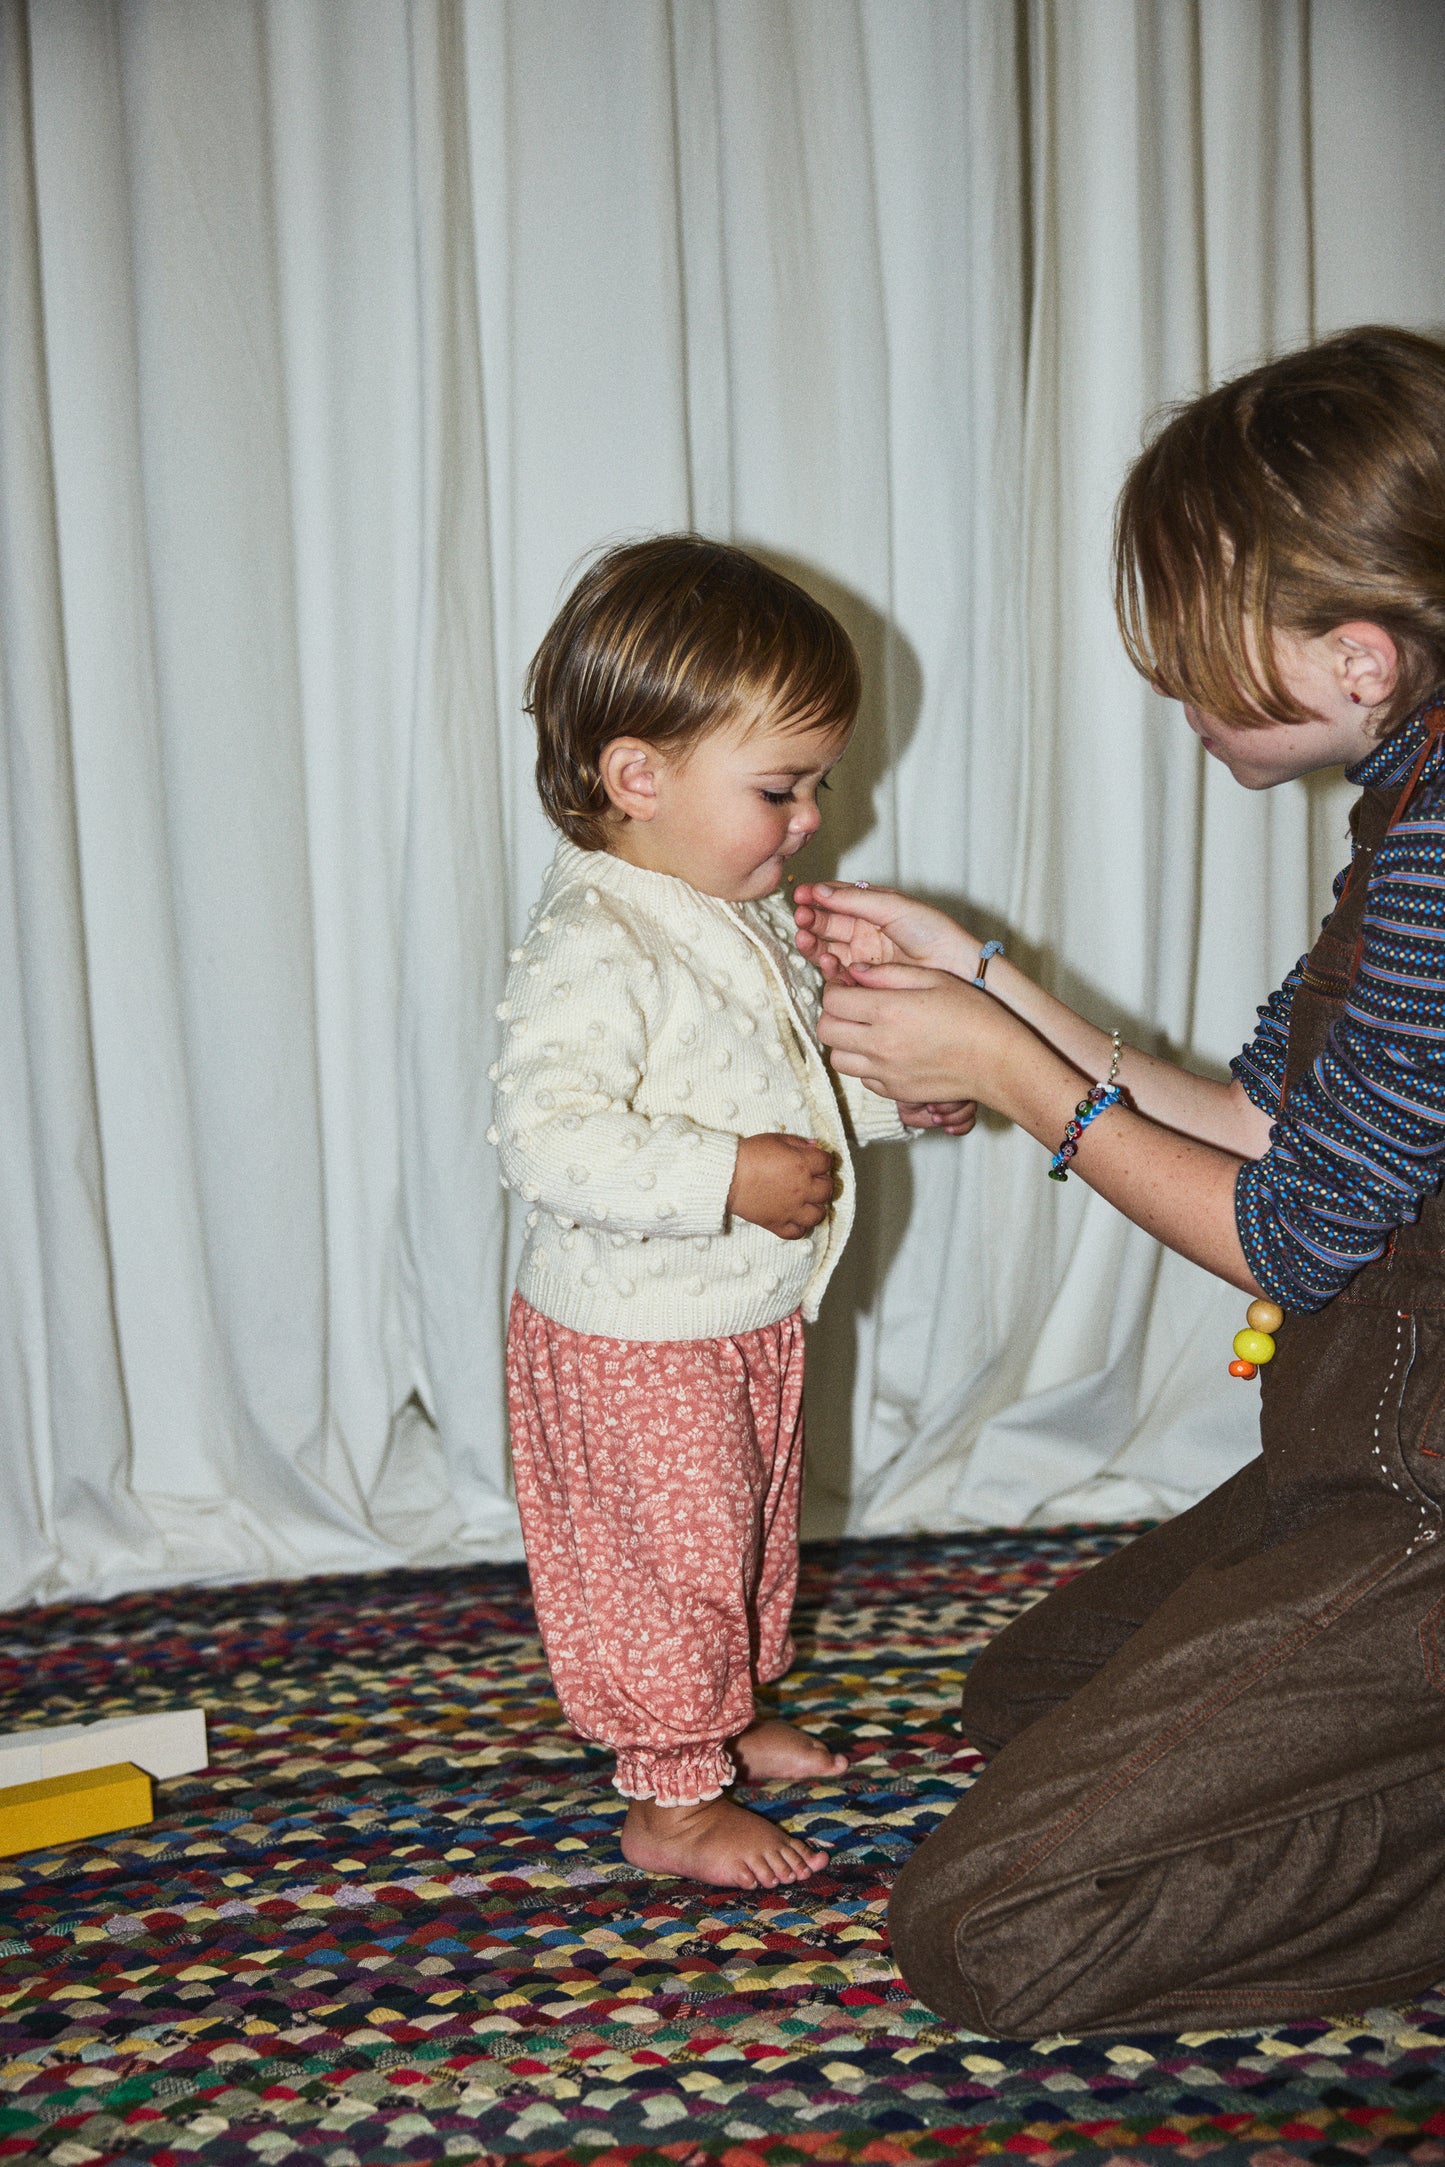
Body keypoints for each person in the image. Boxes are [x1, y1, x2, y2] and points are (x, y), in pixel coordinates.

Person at [793, 325, 1445, 2034]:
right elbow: (1253, 1119)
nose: (1170, 697)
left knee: (995, 1931)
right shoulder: (1410, 799)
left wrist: (1008, 1077)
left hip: (1424, 1488)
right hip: (1359, 1450)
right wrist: (988, 985)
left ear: (1360, 657)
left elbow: (1284, 1237)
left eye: (1197, 662)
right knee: (1031, 1692)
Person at [489, 536, 970, 1891]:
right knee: (666, 1560)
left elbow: (782, 1080)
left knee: (744, 1529)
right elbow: (548, 1139)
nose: (812, 813)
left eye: (812, 782)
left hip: (742, 1306)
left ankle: (727, 1704)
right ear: (636, 777)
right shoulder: (598, 941)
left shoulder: (716, 905)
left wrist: (895, 1101)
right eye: (782, 787)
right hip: (636, 1334)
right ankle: (670, 1795)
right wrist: (721, 1179)